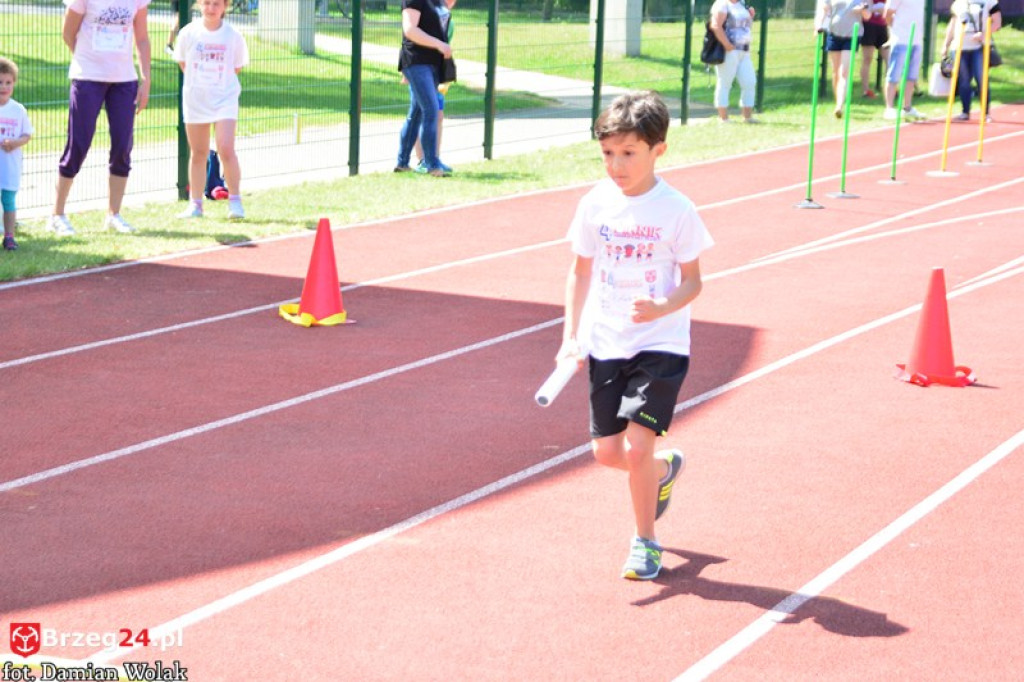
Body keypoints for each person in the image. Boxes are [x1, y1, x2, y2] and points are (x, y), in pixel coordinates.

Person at [556, 91, 714, 581]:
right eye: (608, 154)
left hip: (660, 344)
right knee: (607, 454)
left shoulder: (676, 209)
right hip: (607, 341)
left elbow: (694, 280)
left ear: (657, 150)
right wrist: (570, 336)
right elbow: (579, 272)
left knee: (639, 445)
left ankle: (645, 541)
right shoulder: (595, 204)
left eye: (628, 153)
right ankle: (662, 473)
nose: (617, 165)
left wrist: (663, 307)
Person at [49, 0, 153, 237]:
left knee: (122, 146)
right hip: (87, 78)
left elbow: (143, 38)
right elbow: (68, 33)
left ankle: (113, 215)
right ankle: (57, 215)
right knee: (79, 144)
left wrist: (145, 80)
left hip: (124, 81)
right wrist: (89, 60)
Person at [173, 0, 249, 219]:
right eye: (206, 3)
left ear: (225, 6)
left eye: (216, 4)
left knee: (225, 148)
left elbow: (236, 67)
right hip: (196, 99)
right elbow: (183, 63)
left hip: (224, 99)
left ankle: (235, 202)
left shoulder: (233, 36)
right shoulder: (188, 34)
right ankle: (195, 205)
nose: (211, 8)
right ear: (199, 4)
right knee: (198, 153)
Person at [395, 0, 454, 176]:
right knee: (431, 109)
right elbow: (410, 29)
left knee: (416, 113)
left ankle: (402, 163)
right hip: (417, 62)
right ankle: (431, 164)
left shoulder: (438, 1)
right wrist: (439, 44)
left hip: (434, 63)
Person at [942, 0, 1001, 122]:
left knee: (981, 78)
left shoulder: (989, 2)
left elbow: (997, 23)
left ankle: (985, 113)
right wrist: (945, 45)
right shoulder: (958, 3)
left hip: (978, 47)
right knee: (963, 80)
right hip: (959, 47)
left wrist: (984, 35)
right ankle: (965, 111)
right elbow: (952, 24)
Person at [0, 57, 33, 251]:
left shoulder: (18, 110)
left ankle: (9, 236)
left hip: (10, 166)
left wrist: (14, 143)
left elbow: (27, 135)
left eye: (8, 82)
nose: (3, 86)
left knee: (9, 200)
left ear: (14, 83)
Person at [709, 0, 757, 123]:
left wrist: (751, 17)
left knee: (749, 81)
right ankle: (723, 118)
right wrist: (727, 44)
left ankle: (748, 117)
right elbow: (715, 25)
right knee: (725, 83)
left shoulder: (742, 4)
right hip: (729, 51)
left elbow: (745, 27)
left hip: (744, 51)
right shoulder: (722, 4)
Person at [816, 0, 866, 118]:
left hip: (852, 35)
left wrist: (862, 10)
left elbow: (868, 15)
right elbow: (825, 9)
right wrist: (819, 25)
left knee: (844, 72)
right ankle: (837, 101)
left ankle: (839, 106)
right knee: (835, 72)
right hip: (834, 34)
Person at [882, 0, 926, 121]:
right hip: (901, 38)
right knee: (894, 74)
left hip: (917, 39)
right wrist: (894, 29)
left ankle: (907, 107)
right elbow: (888, 13)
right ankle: (889, 108)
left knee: (911, 76)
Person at [859, 0, 889, 98]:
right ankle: (866, 90)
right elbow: (864, 5)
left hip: (882, 25)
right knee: (867, 58)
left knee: (889, 58)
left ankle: (890, 88)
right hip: (868, 25)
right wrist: (875, 8)